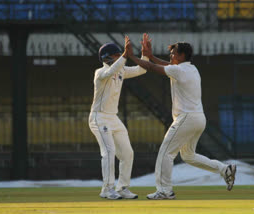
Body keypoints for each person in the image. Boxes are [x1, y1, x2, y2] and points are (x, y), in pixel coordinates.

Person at [126, 34, 237, 200]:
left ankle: (165, 191)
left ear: (182, 55)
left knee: (165, 153)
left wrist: (132, 56)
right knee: (188, 156)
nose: (171, 56)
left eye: (174, 53)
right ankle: (224, 169)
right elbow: (167, 66)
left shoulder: (178, 70)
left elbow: (151, 68)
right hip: (198, 119)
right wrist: (150, 56)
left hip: (187, 118)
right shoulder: (190, 68)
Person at [89, 35, 149, 200]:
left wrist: (145, 55)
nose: (119, 58)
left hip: (113, 118)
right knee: (109, 152)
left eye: (119, 55)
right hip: (98, 117)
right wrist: (124, 56)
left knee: (127, 153)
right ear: (106, 57)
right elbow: (111, 71)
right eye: (116, 55)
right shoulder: (100, 72)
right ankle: (107, 190)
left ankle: (122, 187)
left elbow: (141, 70)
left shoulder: (121, 70)